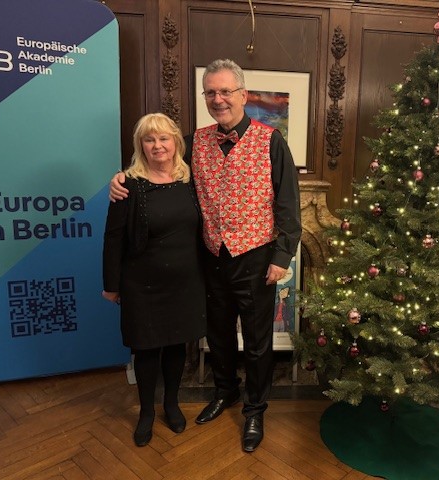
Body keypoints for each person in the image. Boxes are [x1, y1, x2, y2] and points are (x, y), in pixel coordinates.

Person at [109, 59, 301, 452]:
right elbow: (157, 165)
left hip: (256, 256)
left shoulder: (271, 141)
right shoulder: (194, 142)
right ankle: (225, 391)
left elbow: (288, 205)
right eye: (210, 92)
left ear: (242, 95)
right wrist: (122, 178)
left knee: (258, 341)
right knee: (218, 333)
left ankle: (255, 409)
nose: (218, 99)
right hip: (209, 257)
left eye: (225, 91)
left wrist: (281, 257)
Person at [102, 113, 207, 447]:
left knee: (177, 346)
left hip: (186, 282)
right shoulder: (128, 185)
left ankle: (171, 405)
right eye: (149, 139)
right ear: (141, 145)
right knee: (146, 349)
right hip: (142, 285)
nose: (157, 145)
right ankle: (146, 412)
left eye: (164, 138)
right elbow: (113, 238)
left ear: (176, 142)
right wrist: (111, 285)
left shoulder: (191, 179)